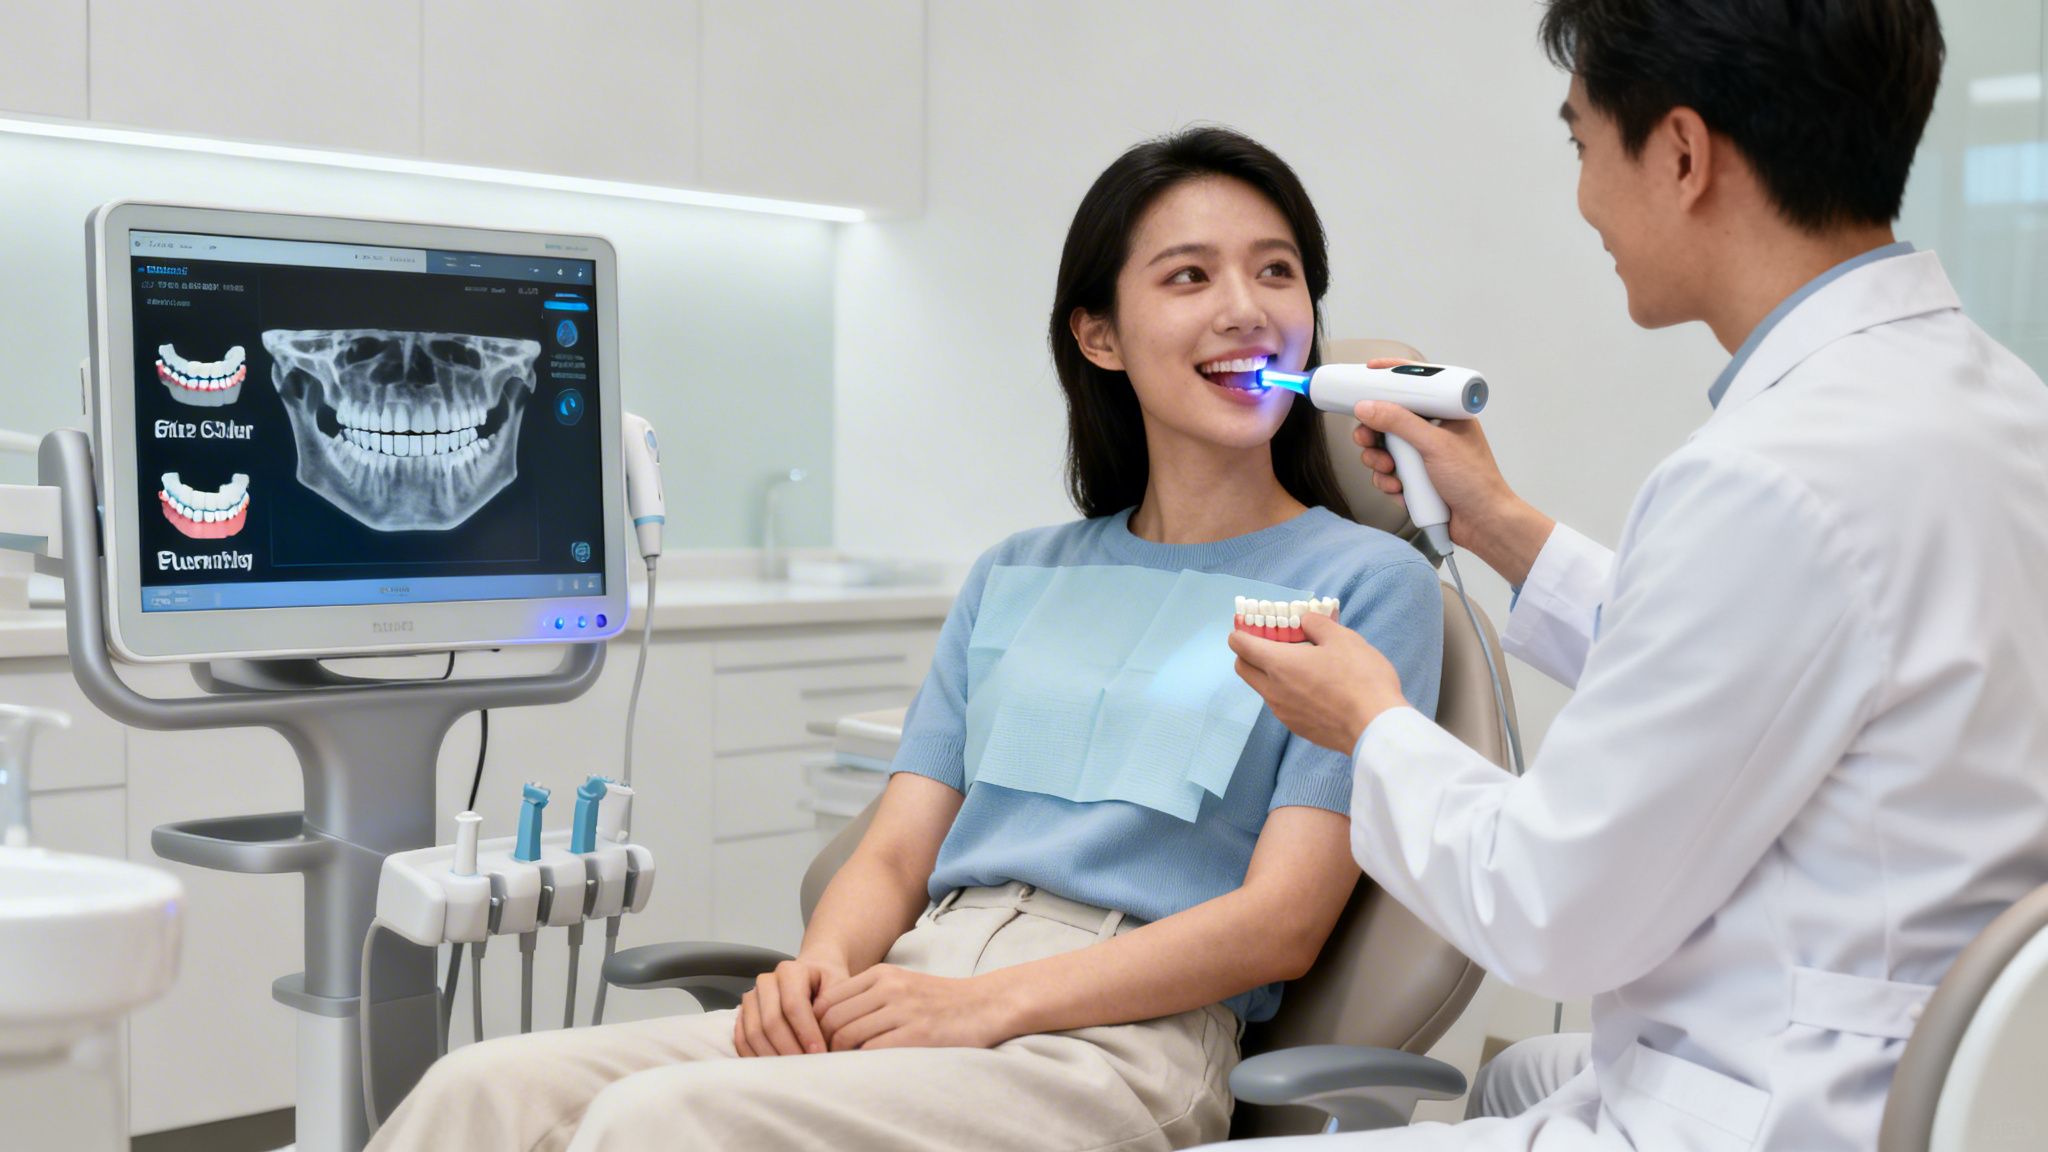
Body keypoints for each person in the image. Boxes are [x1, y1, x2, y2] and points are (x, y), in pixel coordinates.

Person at [367, 126, 1444, 1152]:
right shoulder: (1018, 574)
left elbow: (1278, 926)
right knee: (481, 1093)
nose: (1245, 310)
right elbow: (893, 852)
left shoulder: (1363, 585)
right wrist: (817, 973)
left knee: (658, 1129)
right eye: (1187, 276)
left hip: (1115, 1045)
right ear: (1097, 334)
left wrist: (983, 1004)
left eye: (1276, 272)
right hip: (917, 987)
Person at [1225, 2, 2048, 1150]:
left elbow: (1548, 909)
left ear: (1678, 154)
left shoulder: (1767, 478)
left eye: (1578, 144)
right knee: (1522, 1078)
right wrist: (1501, 525)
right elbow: (1768, 662)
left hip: (1775, 1107)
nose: (1581, 200)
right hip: (1941, 1076)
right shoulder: (1995, 402)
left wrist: (1368, 725)